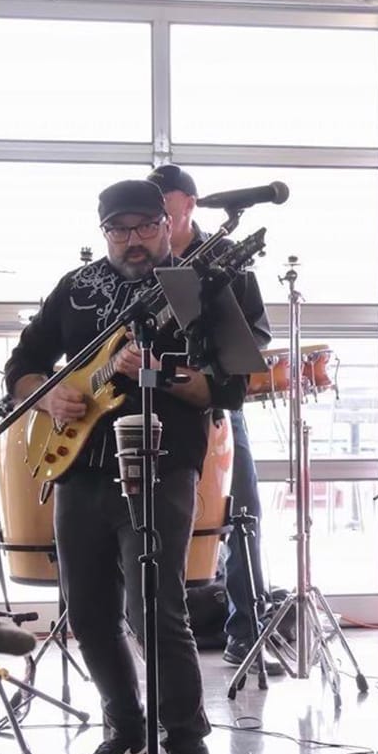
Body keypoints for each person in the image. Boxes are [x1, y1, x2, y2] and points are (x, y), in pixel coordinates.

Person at [4, 179, 264, 754]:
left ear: (169, 222)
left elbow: (230, 389)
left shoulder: (202, 287)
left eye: (145, 226)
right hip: (78, 468)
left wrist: (161, 373)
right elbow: (24, 363)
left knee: (156, 612)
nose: (133, 240)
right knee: (88, 611)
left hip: (160, 464)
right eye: (119, 230)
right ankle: (127, 730)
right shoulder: (77, 285)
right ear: (103, 233)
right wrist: (47, 397)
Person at [148, 165, 272, 665]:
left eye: (164, 200)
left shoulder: (226, 257)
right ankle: (153, 625)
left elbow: (257, 335)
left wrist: (211, 364)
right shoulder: (144, 258)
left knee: (241, 509)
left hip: (215, 402)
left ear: (189, 204)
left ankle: (245, 627)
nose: (156, 211)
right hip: (154, 404)